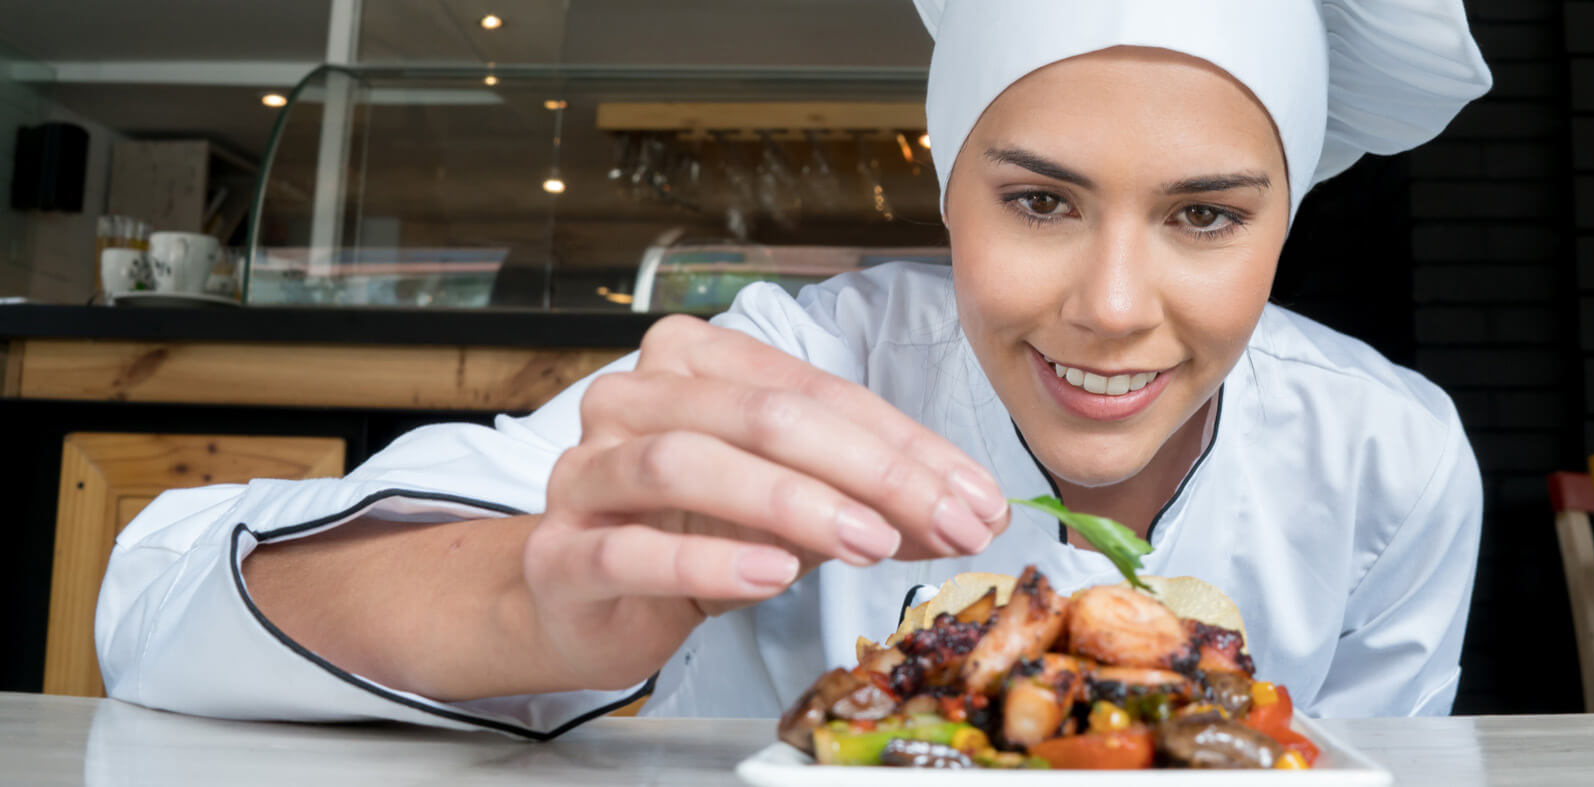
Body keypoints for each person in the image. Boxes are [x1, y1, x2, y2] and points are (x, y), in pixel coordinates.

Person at [96, 0, 1492, 738]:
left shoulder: (1392, 458)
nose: (1115, 308)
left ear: (1286, 222)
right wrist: (535, 602)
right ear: (948, 195)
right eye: (1040, 202)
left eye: (1204, 215)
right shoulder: (792, 368)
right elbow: (154, 599)